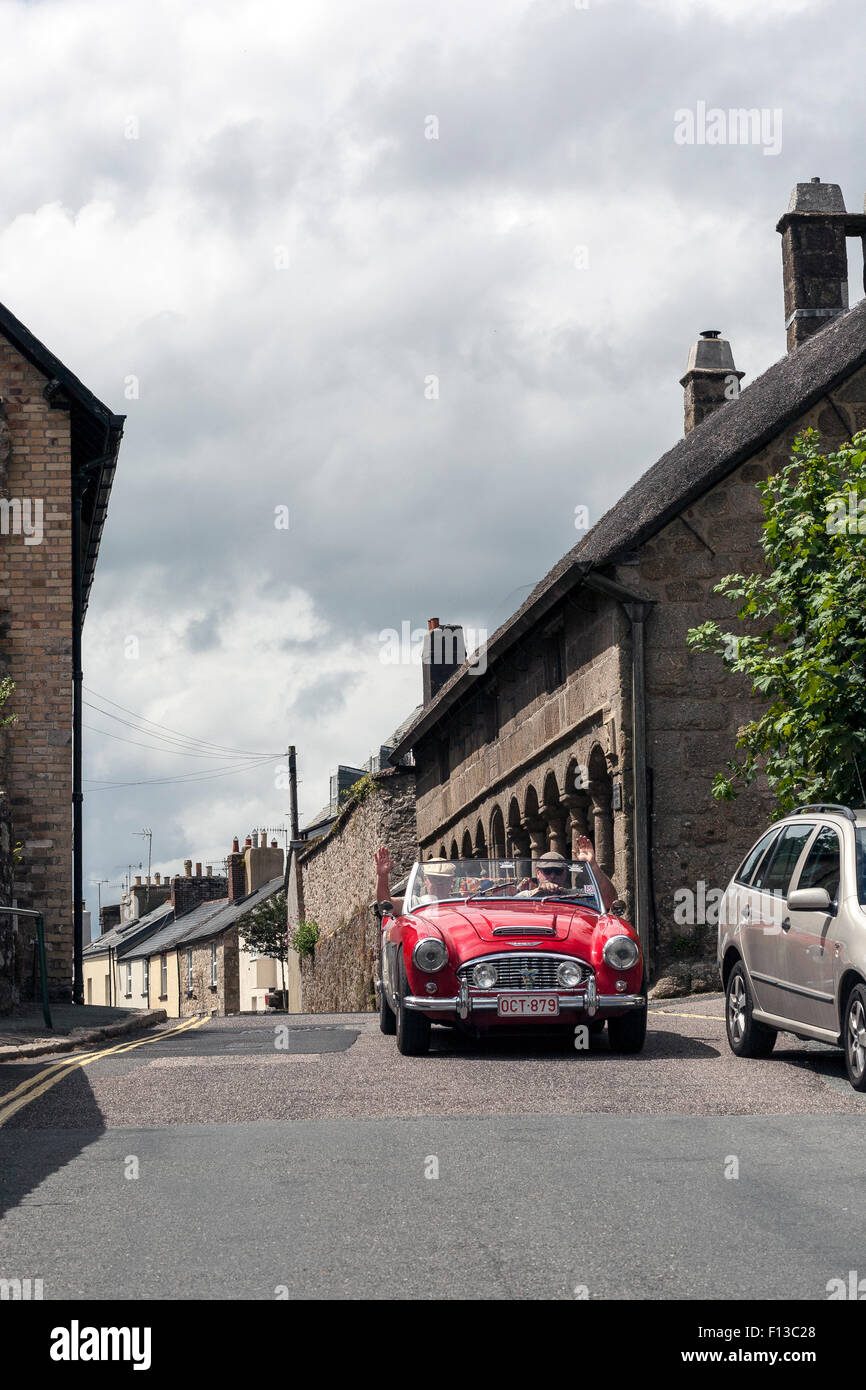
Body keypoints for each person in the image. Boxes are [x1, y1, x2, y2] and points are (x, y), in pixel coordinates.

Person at [516, 837, 618, 911]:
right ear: (538, 873)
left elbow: (609, 900)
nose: (552, 876)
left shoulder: (576, 896)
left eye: (557, 871)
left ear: (564, 874)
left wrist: (592, 864)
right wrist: (538, 892)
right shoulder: (525, 896)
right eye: (547, 871)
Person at [374, 847, 456, 915]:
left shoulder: (460, 904)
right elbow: (386, 905)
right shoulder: (415, 903)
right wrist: (382, 877)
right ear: (425, 880)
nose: (438, 884)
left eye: (443, 880)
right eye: (433, 879)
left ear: (451, 881)